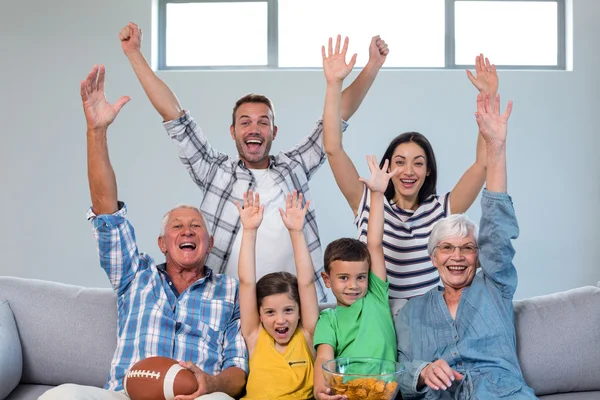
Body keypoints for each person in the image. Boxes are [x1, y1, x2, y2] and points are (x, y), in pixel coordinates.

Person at [119, 22, 389, 303]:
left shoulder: (293, 166)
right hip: (229, 307)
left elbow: (335, 119)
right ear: (233, 132)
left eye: (263, 122)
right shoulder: (215, 171)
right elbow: (174, 116)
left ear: (274, 132)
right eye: (245, 122)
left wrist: (372, 66)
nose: (254, 129)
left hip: (296, 306)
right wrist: (135, 54)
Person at [40, 65, 247, 400]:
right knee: (59, 395)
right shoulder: (135, 276)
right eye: (177, 226)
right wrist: (97, 132)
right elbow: (107, 209)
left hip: (195, 397)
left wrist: (212, 384)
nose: (187, 231)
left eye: (196, 226)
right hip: (125, 395)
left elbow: (238, 371)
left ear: (208, 244)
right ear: (162, 243)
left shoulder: (230, 291)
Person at [323, 50, 500, 299]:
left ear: (428, 171)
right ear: (387, 166)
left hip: (425, 322)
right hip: (377, 321)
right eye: (400, 162)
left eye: (418, 163)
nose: (408, 171)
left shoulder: (442, 209)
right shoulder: (367, 202)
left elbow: (483, 164)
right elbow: (332, 148)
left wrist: (487, 96)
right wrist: (333, 84)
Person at [396, 93, 537, 399]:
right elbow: (399, 370)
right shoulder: (411, 313)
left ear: (478, 257)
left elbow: (497, 230)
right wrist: (421, 372)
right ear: (434, 258)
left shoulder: (495, 287)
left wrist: (496, 148)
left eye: (467, 248)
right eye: (447, 248)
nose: (457, 257)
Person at [312, 151, 400, 399]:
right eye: (343, 278)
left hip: (383, 392)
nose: (354, 285)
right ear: (327, 279)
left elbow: (374, 244)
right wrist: (320, 391)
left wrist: (377, 193)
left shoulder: (376, 296)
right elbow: (324, 357)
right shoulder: (329, 319)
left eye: (361, 277)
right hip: (346, 393)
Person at [235, 189, 320, 399]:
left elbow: (307, 283)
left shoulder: (307, 335)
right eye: (270, 312)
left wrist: (296, 232)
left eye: (289, 310)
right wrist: (249, 231)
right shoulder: (255, 336)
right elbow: (246, 283)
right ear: (260, 314)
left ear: (301, 311)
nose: (280, 320)